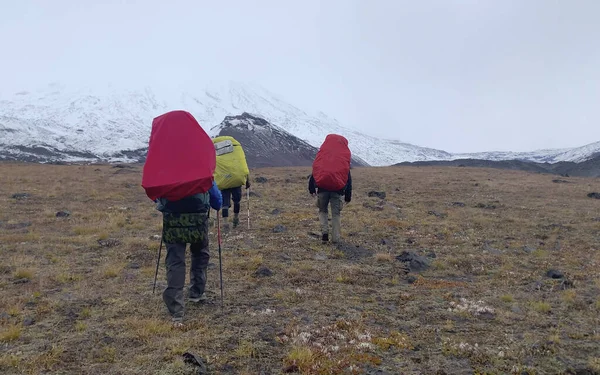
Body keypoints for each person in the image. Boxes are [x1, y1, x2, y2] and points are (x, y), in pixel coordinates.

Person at [155, 180, 222, 326]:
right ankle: (196, 293)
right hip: (198, 221)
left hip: (172, 221)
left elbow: (156, 194)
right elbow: (216, 200)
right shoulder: (201, 169)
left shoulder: (166, 170)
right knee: (200, 254)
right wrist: (217, 203)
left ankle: (176, 309)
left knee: (175, 261)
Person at [308, 134, 353, 244]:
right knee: (336, 214)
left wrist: (312, 189)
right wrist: (348, 196)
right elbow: (348, 178)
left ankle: (324, 234)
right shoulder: (342, 160)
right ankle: (335, 239)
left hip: (322, 189)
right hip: (337, 191)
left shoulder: (323, 157)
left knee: (323, 210)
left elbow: (315, 171)